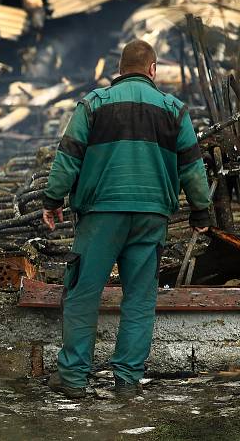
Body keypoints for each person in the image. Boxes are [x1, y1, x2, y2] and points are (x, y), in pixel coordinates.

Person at [42, 39, 212, 399]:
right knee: (138, 299)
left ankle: (73, 380)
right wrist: (201, 210)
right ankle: (127, 382)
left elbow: (68, 157)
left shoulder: (93, 105)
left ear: (119, 70)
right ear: (153, 70)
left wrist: (52, 198)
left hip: (101, 215)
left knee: (83, 294)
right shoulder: (174, 110)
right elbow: (193, 168)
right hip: (151, 217)